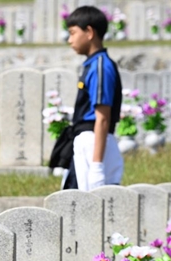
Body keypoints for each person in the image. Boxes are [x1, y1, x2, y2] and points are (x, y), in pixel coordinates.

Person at [51, 5, 124, 191]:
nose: (70, 40)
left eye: (73, 33)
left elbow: (103, 117)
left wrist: (97, 166)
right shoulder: (93, 65)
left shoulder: (101, 66)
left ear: (89, 32)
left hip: (94, 144)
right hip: (86, 142)